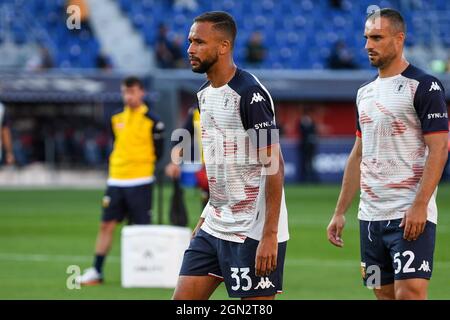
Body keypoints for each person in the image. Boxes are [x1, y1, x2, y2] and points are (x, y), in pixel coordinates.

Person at [327, 8, 448, 300]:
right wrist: (340, 211)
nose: (368, 45)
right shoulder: (363, 93)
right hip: (370, 219)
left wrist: (420, 204)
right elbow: (358, 154)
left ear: (399, 39)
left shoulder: (424, 86)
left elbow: (440, 147)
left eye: (377, 37)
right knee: (382, 294)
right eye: (367, 38)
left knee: (411, 294)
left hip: (408, 215)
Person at [172, 11, 289, 300]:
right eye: (190, 41)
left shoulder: (250, 94)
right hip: (214, 225)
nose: (190, 49)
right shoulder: (203, 95)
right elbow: (220, 165)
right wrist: (205, 216)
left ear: (223, 46)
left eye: (199, 42)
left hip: (253, 231)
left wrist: (270, 234)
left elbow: (274, 165)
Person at [76, 76, 165, 285]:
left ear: (142, 92)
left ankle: (145, 272)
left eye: (133, 92)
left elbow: (159, 153)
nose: (129, 96)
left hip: (141, 179)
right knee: (106, 224)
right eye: (126, 92)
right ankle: (96, 271)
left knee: (142, 228)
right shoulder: (116, 118)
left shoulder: (153, 121)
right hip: (116, 179)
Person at [165, 106, 209, 207]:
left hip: (233, 172)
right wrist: (174, 163)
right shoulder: (197, 110)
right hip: (208, 170)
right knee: (208, 215)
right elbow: (181, 139)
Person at [298, 109, 318, 182]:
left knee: (311, 163)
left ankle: (313, 179)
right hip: (303, 147)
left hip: (311, 147)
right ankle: (302, 179)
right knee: (303, 163)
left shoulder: (312, 122)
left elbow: (314, 132)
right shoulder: (301, 122)